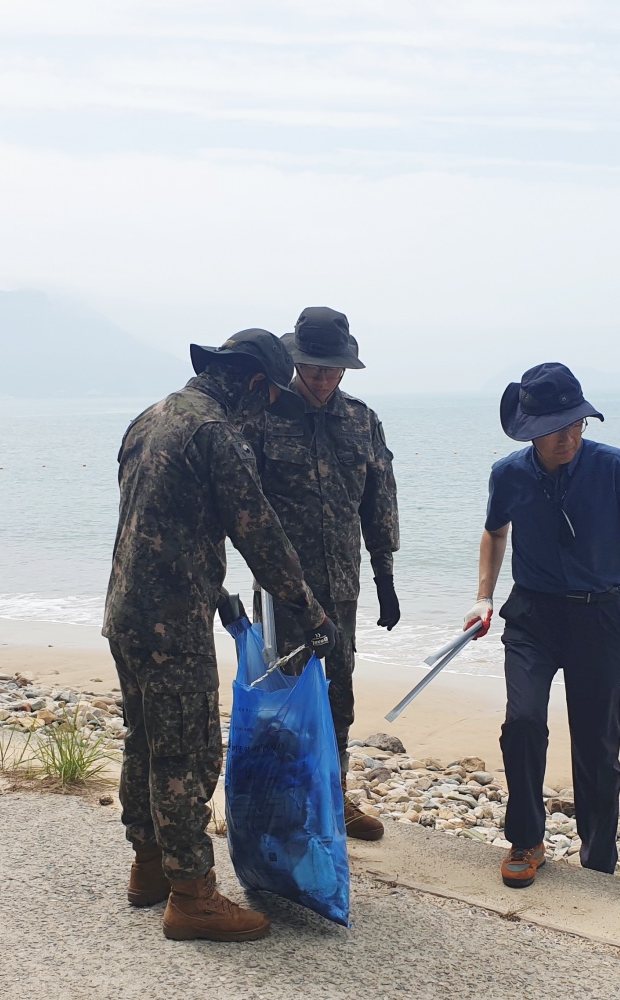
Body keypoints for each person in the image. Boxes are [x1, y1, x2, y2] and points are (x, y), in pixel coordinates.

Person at [102, 328, 337, 942]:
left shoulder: (149, 419)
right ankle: (191, 897)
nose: (267, 408)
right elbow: (262, 537)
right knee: (187, 751)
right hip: (170, 625)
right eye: (269, 395)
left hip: (124, 611)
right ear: (255, 384)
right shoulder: (217, 435)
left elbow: (161, 518)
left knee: (145, 740)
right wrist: (310, 612)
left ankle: (148, 867)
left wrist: (215, 591)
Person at [462, 362, 620, 888]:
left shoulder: (615, 468)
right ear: (531, 429)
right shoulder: (508, 474)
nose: (567, 436)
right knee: (522, 722)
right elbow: (494, 534)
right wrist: (483, 597)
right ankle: (526, 840)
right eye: (555, 427)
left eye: (577, 424)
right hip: (532, 616)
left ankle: (598, 861)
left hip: (598, 615)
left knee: (596, 743)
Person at [241, 306, 400, 841]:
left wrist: (385, 578)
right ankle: (286, 807)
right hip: (283, 595)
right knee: (283, 698)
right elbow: (240, 504)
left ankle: (332, 796)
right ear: (295, 364)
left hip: (343, 591)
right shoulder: (263, 418)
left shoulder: (361, 420)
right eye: (315, 370)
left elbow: (379, 503)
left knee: (338, 695)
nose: (326, 380)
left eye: (335, 370)